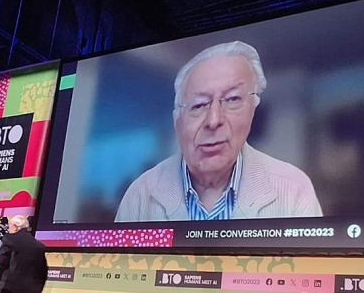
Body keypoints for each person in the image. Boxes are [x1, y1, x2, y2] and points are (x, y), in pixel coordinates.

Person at [115, 41, 322, 222]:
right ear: (178, 122)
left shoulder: (293, 188)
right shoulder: (140, 194)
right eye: (198, 105)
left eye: (232, 100)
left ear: (252, 110)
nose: (213, 121)